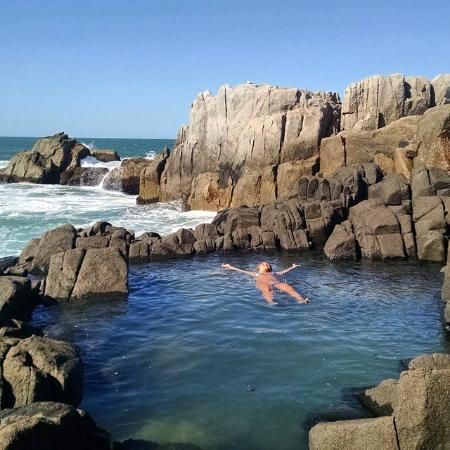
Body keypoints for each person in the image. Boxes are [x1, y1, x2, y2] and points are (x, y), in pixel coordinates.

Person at [221, 261, 310, 305]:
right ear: (258, 268)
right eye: (263, 264)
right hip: (264, 284)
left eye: (267, 264)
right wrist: (230, 267)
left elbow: (284, 271)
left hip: (276, 283)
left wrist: (292, 267)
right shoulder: (256, 274)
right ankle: (271, 302)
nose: (266, 265)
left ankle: (301, 300)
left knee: (287, 287)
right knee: (266, 289)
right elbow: (242, 271)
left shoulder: (274, 273)